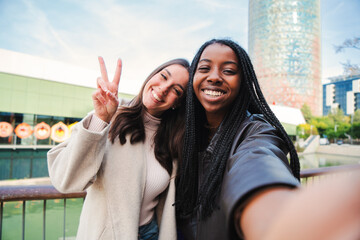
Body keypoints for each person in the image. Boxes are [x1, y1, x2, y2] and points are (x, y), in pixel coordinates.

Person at [175, 38, 360, 240]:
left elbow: (259, 163)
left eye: (228, 71)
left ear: (244, 81)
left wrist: (281, 225)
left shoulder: (256, 131)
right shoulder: (180, 129)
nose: (214, 77)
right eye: (204, 68)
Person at [48, 56, 189, 240]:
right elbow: (65, 181)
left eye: (176, 90)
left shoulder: (174, 138)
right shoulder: (112, 112)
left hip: (151, 233)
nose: (163, 89)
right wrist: (101, 119)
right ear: (152, 75)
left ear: (177, 103)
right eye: (163, 77)